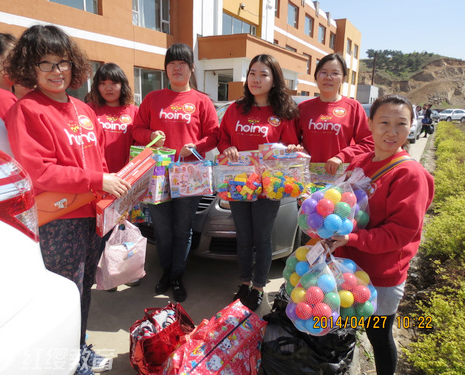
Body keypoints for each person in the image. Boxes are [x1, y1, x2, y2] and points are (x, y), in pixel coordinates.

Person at [4, 25, 130, 375]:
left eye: (62, 62)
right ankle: (63, 364)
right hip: (60, 220)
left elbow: (101, 161)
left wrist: (111, 199)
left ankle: (78, 351)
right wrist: (97, 179)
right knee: (62, 298)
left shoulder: (84, 109)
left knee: (82, 292)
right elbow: (37, 171)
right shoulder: (27, 110)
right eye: (45, 63)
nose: (57, 71)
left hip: (94, 216)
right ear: (30, 67)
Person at [329, 95, 434, 375]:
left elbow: (399, 234)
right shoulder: (361, 162)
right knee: (346, 327)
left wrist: (352, 239)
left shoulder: (410, 174)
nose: (392, 131)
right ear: (370, 124)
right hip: (349, 267)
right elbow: (342, 204)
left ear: (412, 127)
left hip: (381, 276)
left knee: (378, 335)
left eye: (401, 124)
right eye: (384, 122)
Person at [131, 43, 219, 302]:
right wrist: (150, 135)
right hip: (158, 173)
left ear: (192, 68)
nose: (177, 68)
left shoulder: (202, 101)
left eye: (182, 63)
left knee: (183, 229)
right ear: (166, 68)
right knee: (162, 228)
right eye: (172, 63)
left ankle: (177, 276)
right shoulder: (152, 99)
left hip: (189, 174)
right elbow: (136, 130)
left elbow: (214, 135)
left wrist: (198, 146)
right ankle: (166, 273)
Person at [218, 54, 302, 311]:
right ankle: (244, 282)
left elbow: (290, 148)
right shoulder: (235, 109)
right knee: (243, 237)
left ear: (274, 79)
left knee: (262, 238)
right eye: (252, 73)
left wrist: (293, 150)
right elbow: (222, 140)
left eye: (263, 74)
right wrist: (228, 148)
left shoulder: (283, 114)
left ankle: (258, 287)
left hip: (269, 188)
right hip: (238, 185)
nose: (256, 79)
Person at [87, 62, 140, 291]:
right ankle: (102, 275)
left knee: (123, 228)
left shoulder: (133, 111)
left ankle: (125, 271)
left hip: (126, 181)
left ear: (123, 85)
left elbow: (140, 143)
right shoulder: (90, 110)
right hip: (98, 182)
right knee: (98, 231)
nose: (108, 88)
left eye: (114, 83)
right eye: (103, 83)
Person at [297, 53, 374, 175]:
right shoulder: (303, 108)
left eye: (335, 73)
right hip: (306, 176)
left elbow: (368, 143)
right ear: (316, 76)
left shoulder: (353, 107)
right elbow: (292, 141)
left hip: (339, 178)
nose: (328, 77)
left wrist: (342, 156)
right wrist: (299, 149)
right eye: (323, 72)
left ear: (343, 78)